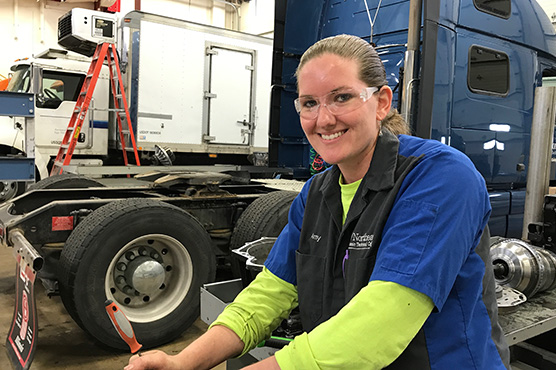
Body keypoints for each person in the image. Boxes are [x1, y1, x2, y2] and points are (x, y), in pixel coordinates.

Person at [125, 34, 510, 370]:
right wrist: (183, 362)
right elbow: (269, 293)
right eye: (309, 103)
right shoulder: (316, 194)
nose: (323, 119)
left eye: (341, 97)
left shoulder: (440, 177)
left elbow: (385, 319)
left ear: (381, 102)